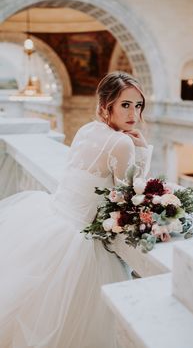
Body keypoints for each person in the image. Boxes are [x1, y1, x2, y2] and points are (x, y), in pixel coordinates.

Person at [0, 71, 153, 348]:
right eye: (125, 105)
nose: (133, 113)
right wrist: (143, 150)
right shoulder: (122, 143)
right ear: (107, 105)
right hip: (78, 237)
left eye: (138, 105)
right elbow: (130, 195)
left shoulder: (86, 130)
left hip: (51, 217)